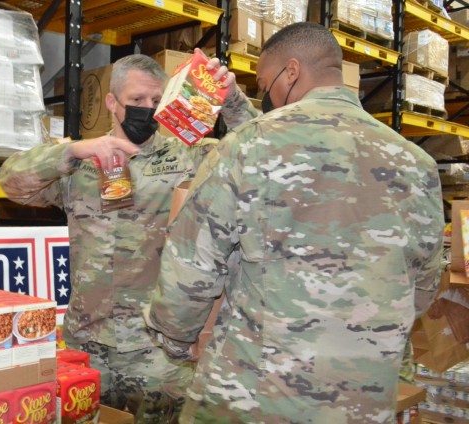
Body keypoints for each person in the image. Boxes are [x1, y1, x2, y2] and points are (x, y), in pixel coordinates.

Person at [144, 22, 445, 423]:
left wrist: (175, 341)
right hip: (363, 397)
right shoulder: (417, 164)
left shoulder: (249, 145)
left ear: (292, 72)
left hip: (256, 395)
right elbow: (422, 287)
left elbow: (191, 270)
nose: (265, 99)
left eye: (265, 85)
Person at [0, 50, 259, 422]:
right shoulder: (80, 166)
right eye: (136, 100)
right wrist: (72, 149)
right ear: (111, 103)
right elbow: (10, 181)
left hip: (157, 354)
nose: (147, 109)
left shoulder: (190, 158)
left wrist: (231, 100)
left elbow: (257, 151)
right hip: (86, 345)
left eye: (156, 100)